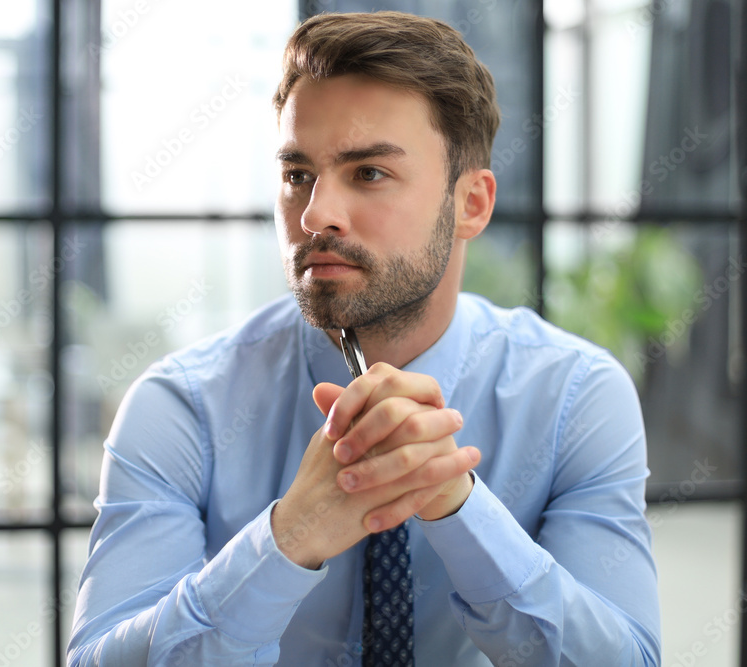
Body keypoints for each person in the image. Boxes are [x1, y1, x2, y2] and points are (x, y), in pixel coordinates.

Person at [68, 11, 661, 666]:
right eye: (297, 175)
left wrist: (459, 506)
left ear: (471, 204)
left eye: (369, 173)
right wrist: (287, 539)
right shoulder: (181, 407)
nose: (316, 213)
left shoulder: (577, 397)